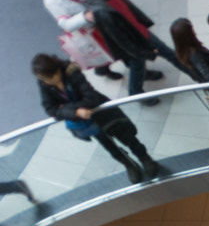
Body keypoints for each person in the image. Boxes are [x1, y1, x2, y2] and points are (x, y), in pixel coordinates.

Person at [33, 54, 163, 183]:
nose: (46, 82)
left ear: (56, 71)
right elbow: (50, 109)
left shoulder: (72, 73)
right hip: (87, 123)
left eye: (49, 78)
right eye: (43, 79)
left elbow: (90, 98)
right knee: (109, 146)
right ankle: (129, 165)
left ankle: (145, 158)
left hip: (104, 113)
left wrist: (65, 108)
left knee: (128, 137)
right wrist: (76, 112)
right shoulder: (44, 83)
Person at [79, 0, 186, 101]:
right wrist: (148, 52)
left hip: (139, 32)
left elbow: (128, 10)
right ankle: (136, 93)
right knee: (161, 56)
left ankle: (136, 91)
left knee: (139, 64)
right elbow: (122, 41)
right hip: (134, 42)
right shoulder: (102, 13)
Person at [39, 0, 122, 81]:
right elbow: (65, 24)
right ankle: (103, 69)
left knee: (117, 45)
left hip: (97, 17)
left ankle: (107, 68)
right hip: (86, 29)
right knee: (104, 50)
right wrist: (84, 17)